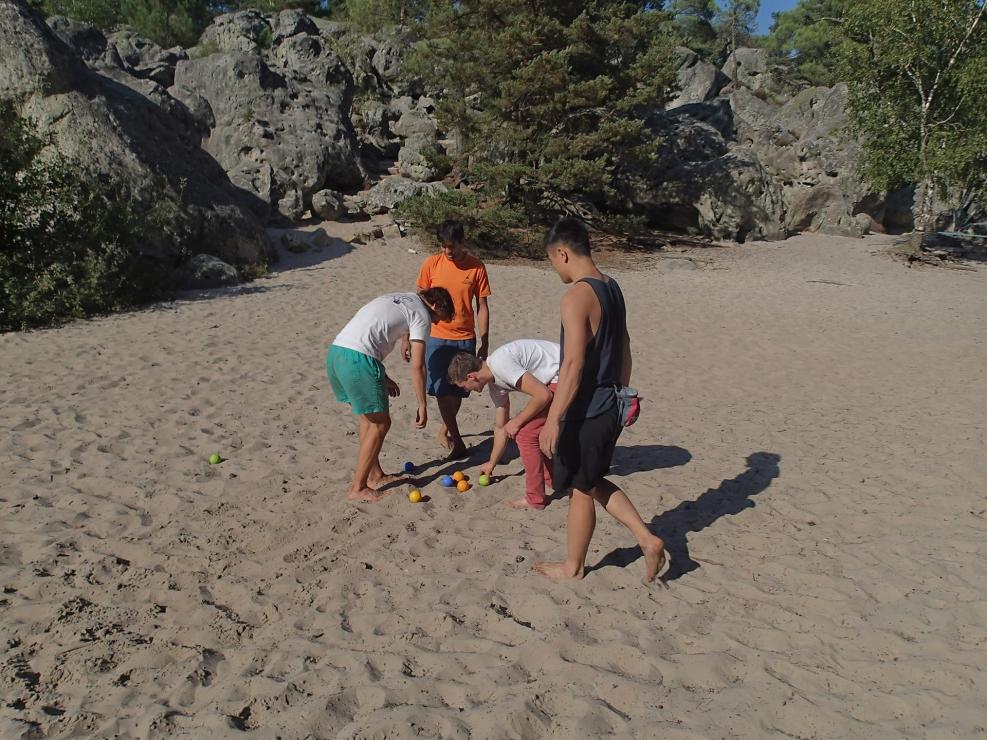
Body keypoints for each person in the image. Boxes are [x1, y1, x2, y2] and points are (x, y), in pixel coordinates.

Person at [536, 218, 667, 582]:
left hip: (588, 408)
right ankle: (646, 538)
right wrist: (623, 396)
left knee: (581, 488)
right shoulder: (613, 287)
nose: (555, 269)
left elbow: (573, 364)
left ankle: (574, 567)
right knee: (591, 481)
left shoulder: (577, 296)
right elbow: (625, 348)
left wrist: (552, 419)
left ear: (562, 252)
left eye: (552, 260)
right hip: (611, 403)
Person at [327, 288, 454, 502]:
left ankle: (375, 475)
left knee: (368, 419)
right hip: (359, 360)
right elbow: (418, 365)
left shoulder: (403, 298)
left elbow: (368, 333)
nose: (433, 324)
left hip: (337, 354)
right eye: (436, 320)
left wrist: (383, 377)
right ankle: (358, 488)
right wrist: (422, 404)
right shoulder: (422, 315)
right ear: (436, 306)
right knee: (380, 424)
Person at [446, 339, 561, 510]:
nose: (465, 390)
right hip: (558, 377)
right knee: (534, 431)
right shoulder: (495, 384)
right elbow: (500, 427)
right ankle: (555, 480)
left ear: (471, 376)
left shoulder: (500, 364)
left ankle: (535, 499)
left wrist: (517, 421)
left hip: (569, 373)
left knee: (525, 435)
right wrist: (492, 462)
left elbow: (543, 395)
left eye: (464, 386)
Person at [411, 219, 492, 459]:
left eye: (452, 246)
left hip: (465, 338)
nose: (448, 251)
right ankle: (458, 443)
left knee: (457, 392)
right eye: (444, 246)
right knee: (442, 391)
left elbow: (483, 306)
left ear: (462, 242)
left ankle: (446, 429)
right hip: (436, 338)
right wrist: (409, 337)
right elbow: (417, 303)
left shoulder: (476, 267)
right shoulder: (431, 264)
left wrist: (485, 340)